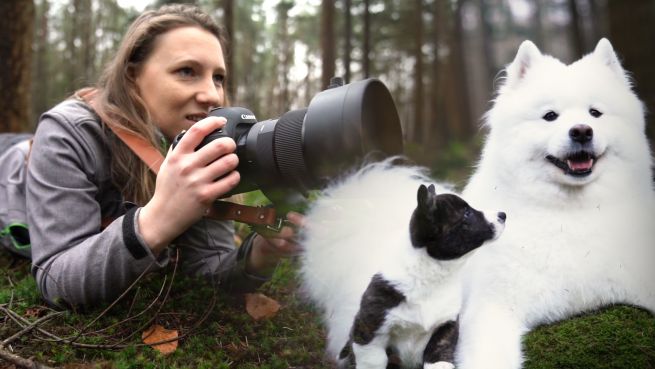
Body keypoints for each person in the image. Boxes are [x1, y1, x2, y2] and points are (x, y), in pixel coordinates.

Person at [0, 4, 302, 308]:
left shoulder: (198, 146)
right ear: (133, 77)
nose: (212, 95)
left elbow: (204, 268)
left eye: (218, 78)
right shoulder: (70, 132)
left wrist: (258, 255)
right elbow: (56, 282)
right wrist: (156, 221)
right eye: (187, 71)